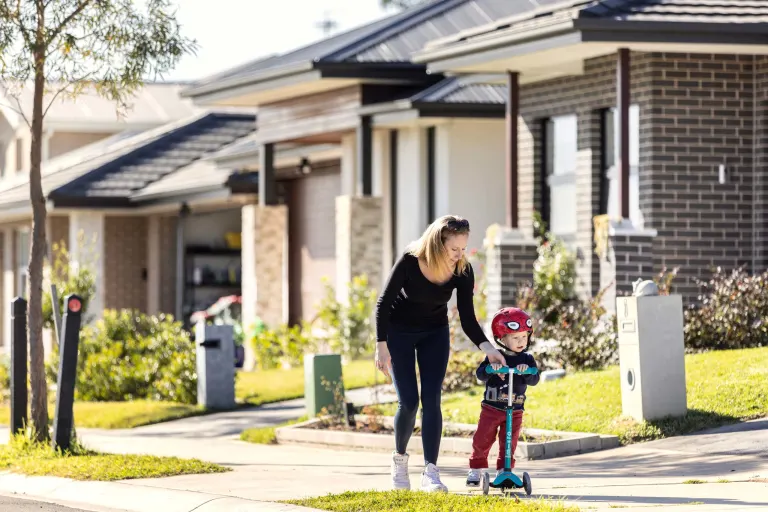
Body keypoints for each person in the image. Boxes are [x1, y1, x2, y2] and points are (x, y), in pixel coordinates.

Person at [374, 215, 507, 492]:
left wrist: (488, 348)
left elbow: (468, 318)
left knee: (432, 399)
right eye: (454, 249)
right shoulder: (411, 261)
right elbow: (384, 303)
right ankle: (399, 460)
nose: (460, 255)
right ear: (437, 244)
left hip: (434, 333)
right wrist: (381, 344)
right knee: (408, 402)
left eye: (463, 248)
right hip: (399, 333)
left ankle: (430, 472)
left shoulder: (462, 270)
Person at [465, 307, 540, 487]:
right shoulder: (494, 357)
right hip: (492, 408)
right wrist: (491, 369)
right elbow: (480, 374)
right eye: (516, 338)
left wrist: (527, 371)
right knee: (482, 439)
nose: (521, 341)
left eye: (524, 336)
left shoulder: (527, 359)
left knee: (509, 441)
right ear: (501, 338)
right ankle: (476, 469)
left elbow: (535, 378)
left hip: (515, 410)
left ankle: (504, 469)